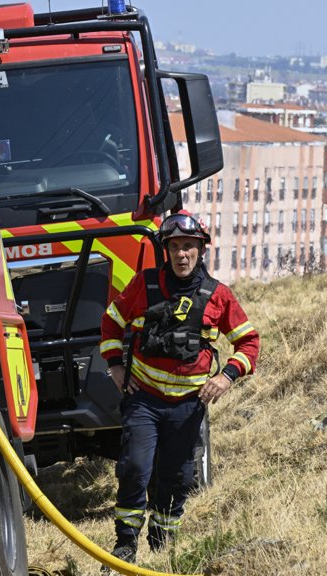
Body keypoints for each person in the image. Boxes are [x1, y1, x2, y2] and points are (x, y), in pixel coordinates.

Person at [98, 211, 260, 566]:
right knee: (135, 467)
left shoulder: (218, 295)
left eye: (188, 246)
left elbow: (249, 343)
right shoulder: (144, 284)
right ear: (166, 250)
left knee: (177, 477)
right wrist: (115, 366)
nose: (181, 254)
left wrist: (226, 377)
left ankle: (162, 544)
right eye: (174, 247)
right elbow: (111, 322)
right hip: (143, 400)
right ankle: (125, 545)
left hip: (187, 407)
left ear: (201, 250)